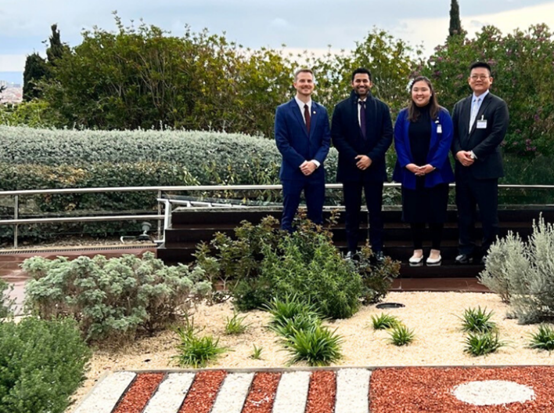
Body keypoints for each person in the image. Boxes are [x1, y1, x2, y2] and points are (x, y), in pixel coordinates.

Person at [331, 68, 393, 261]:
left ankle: (377, 250)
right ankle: (352, 250)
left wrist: (370, 158)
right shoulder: (341, 108)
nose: (361, 84)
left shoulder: (381, 108)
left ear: (370, 83)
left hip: (374, 167)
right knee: (352, 212)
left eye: (365, 81)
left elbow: (387, 136)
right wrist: (355, 158)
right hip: (350, 168)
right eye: (358, 81)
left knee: (375, 212)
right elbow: (337, 137)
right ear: (352, 83)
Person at [392, 76, 455, 266]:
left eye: (423, 89)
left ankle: (435, 251)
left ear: (431, 92)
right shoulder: (403, 115)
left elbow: (446, 140)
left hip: (436, 173)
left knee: (436, 212)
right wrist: (408, 164)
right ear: (411, 93)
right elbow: (398, 141)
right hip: (411, 172)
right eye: (416, 90)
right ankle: (417, 250)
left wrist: (433, 165)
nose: (420, 93)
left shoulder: (443, 114)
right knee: (414, 213)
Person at [451, 61, 509, 264]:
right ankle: (465, 250)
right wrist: (458, 152)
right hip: (463, 169)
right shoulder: (460, 106)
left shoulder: (498, 105)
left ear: (490, 80)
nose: (478, 80)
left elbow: (497, 134)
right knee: (464, 213)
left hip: (486, 169)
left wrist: (474, 154)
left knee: (488, 215)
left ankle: (490, 252)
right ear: (469, 80)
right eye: (474, 76)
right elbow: (453, 134)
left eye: (482, 76)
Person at [275, 68, 331, 232]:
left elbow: (325, 142)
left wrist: (314, 163)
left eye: (309, 81)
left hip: (316, 174)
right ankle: (287, 247)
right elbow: (282, 142)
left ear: (313, 84)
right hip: (292, 172)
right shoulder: (283, 110)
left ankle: (316, 248)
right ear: (295, 84)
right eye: (302, 81)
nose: (306, 84)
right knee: (288, 219)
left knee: (316, 221)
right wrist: (301, 163)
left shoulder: (322, 111)